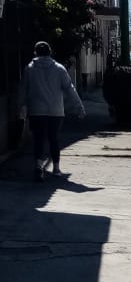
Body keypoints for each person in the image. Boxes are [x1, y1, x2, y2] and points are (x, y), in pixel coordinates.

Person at [18, 40, 85, 181]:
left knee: (38, 139)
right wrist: (79, 107)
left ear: (35, 52)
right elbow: (69, 88)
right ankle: (56, 168)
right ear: (50, 52)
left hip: (36, 110)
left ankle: (38, 166)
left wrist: (22, 106)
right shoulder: (59, 68)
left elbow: (23, 89)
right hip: (56, 111)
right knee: (53, 139)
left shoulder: (29, 69)